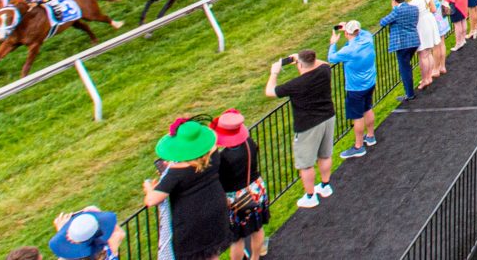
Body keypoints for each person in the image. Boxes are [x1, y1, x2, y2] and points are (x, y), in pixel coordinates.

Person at [142, 119, 231, 260]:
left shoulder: (176, 173)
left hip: (193, 222)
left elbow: (152, 200)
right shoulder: (212, 154)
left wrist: (149, 189)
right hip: (216, 210)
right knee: (212, 254)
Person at [266, 49, 335, 209]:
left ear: (301, 65)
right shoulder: (324, 71)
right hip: (328, 117)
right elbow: (324, 63)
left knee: (306, 164)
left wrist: (274, 73)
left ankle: (310, 196)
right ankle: (325, 186)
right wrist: (304, 59)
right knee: (325, 155)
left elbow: (270, 92)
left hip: (308, 126)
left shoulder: (296, 85)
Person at [212, 110, 269, 260]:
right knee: (258, 228)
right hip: (256, 189)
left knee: (237, 239)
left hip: (236, 198)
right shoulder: (249, 142)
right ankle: (255, 257)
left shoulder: (223, 158)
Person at [328, 20, 378, 158]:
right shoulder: (367, 38)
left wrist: (333, 43)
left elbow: (331, 58)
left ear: (346, 33)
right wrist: (351, 28)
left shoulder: (349, 50)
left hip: (356, 88)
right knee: (368, 108)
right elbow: (362, 32)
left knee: (357, 116)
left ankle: (358, 146)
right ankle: (371, 136)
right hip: (370, 82)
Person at [378, 0, 420, 102]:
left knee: (404, 68)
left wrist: (394, 10)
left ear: (394, 1)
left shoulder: (397, 11)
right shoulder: (414, 8)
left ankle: (409, 94)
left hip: (402, 44)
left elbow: (383, 22)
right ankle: (409, 92)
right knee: (406, 66)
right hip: (414, 41)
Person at [47, 206, 124, 260]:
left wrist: (61, 231)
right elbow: (119, 233)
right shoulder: (107, 249)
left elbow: (64, 253)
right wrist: (98, 213)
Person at [405, 0, 444, 86]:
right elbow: (433, 9)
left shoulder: (414, 2)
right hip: (430, 23)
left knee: (423, 54)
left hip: (422, 26)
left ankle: (425, 79)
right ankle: (429, 76)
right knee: (428, 52)